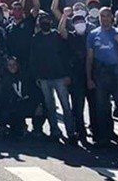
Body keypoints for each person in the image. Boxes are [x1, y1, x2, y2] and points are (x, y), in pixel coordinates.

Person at [86, 6, 118, 149]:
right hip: (100, 73)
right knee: (102, 107)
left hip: (117, 74)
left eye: (107, 16)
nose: (104, 19)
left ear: (112, 17)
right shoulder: (93, 34)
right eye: (102, 16)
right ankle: (105, 136)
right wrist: (89, 78)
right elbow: (89, 58)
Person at [30, 11, 75, 143]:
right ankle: (54, 131)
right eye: (42, 21)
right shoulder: (35, 38)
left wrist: (68, 74)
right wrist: (37, 76)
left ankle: (71, 132)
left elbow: (66, 55)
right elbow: (34, 59)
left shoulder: (57, 36)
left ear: (51, 22)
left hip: (60, 76)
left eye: (47, 21)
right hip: (44, 78)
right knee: (50, 106)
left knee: (66, 106)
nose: (45, 23)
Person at [62, 8, 97, 145]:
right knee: (77, 107)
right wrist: (64, 16)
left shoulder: (91, 35)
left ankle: (96, 132)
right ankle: (80, 132)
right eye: (76, 22)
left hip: (92, 75)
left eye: (81, 21)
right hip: (75, 76)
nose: (79, 23)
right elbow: (62, 31)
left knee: (94, 105)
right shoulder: (71, 36)